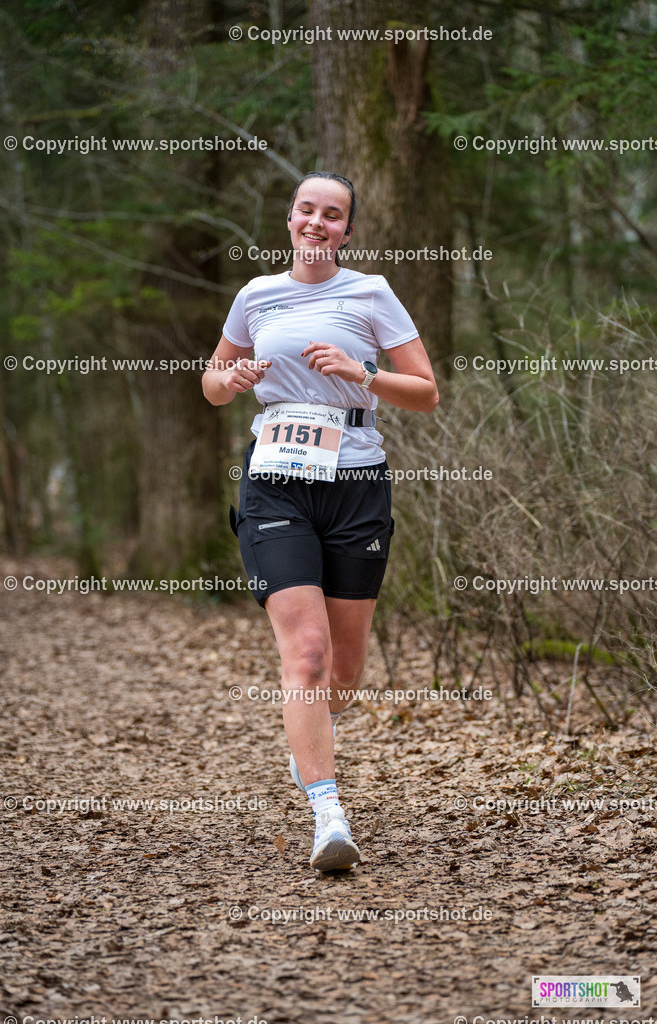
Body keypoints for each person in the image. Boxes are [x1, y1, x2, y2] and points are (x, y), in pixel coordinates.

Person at [202, 171, 438, 871]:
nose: (316, 222)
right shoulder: (255, 295)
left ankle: (310, 738)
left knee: (343, 670)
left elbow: (425, 393)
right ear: (288, 218)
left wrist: (359, 373)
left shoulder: (369, 292)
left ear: (346, 231)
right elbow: (212, 383)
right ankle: (326, 810)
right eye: (306, 209)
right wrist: (232, 380)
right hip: (275, 482)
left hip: (356, 482)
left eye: (331, 215)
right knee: (303, 655)